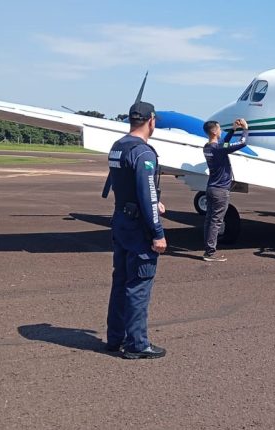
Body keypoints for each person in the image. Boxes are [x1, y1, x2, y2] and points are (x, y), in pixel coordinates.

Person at [105, 101, 167, 359]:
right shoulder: (144, 153)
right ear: (151, 120)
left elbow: (125, 185)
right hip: (138, 227)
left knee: (120, 281)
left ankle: (115, 337)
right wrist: (158, 233)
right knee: (139, 284)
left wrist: (150, 201)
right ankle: (137, 344)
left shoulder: (117, 147)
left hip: (120, 219)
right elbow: (147, 193)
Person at [202, 118, 248, 262]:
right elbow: (242, 143)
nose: (221, 130)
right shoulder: (219, 149)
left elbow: (225, 145)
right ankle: (210, 252)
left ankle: (208, 248)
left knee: (210, 220)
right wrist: (245, 129)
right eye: (220, 128)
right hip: (221, 190)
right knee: (216, 221)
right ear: (215, 131)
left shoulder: (207, 147)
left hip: (211, 187)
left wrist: (233, 129)